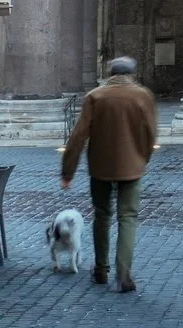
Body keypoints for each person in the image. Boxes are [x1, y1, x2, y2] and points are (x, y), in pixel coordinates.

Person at [61, 56, 158, 292]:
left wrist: (68, 171)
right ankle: (124, 274)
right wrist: (142, 158)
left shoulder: (95, 96)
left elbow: (77, 137)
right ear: (132, 73)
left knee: (102, 217)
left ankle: (101, 270)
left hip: (100, 167)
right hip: (132, 167)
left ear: (110, 72)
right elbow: (151, 133)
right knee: (128, 218)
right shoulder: (143, 95)